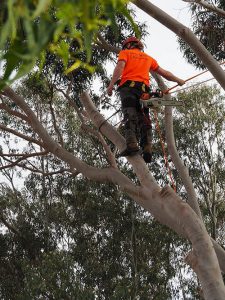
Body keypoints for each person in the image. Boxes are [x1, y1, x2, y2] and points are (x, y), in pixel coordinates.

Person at [107, 37, 185, 163]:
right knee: (144, 117)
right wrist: (178, 80)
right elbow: (164, 73)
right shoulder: (148, 58)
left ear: (128, 46)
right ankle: (147, 146)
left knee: (130, 113)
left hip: (129, 88)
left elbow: (120, 67)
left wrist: (111, 85)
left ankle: (132, 144)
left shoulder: (125, 53)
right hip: (144, 91)